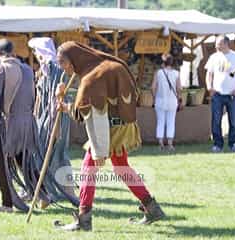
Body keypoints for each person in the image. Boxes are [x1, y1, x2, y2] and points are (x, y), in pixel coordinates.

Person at [54, 42, 165, 231]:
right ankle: (152, 208)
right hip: (122, 125)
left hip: (107, 129)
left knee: (88, 168)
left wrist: (99, 151)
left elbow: (92, 114)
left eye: (63, 62)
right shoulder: (108, 65)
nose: (63, 68)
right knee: (122, 167)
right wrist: (65, 105)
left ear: (74, 58)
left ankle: (84, 218)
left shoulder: (92, 77)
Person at [0, 39, 43, 212]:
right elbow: (33, 96)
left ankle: (7, 204)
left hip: (9, 125)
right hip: (27, 122)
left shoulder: (1, 69)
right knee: (24, 162)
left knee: (1, 163)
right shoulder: (28, 69)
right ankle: (43, 195)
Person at [27, 37, 78, 208]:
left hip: (55, 118)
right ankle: (46, 194)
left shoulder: (55, 68)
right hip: (44, 118)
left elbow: (60, 97)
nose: (34, 54)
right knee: (46, 155)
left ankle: (53, 195)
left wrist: (55, 126)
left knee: (56, 155)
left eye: (35, 51)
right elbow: (41, 97)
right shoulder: (44, 69)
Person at [205, 35, 235, 153]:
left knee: (233, 120)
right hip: (217, 94)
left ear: (226, 44)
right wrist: (209, 87)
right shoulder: (213, 57)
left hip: (233, 94)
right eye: (216, 43)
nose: (216, 45)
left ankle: (233, 143)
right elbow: (209, 74)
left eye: (218, 43)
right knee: (216, 120)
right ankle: (218, 144)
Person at [151, 54, 181, 151]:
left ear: (163, 63)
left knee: (160, 121)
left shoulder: (158, 73)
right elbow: (179, 88)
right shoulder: (176, 73)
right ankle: (170, 143)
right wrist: (179, 97)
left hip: (160, 100)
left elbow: (153, 87)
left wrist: (154, 97)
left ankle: (160, 143)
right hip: (172, 101)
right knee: (171, 121)